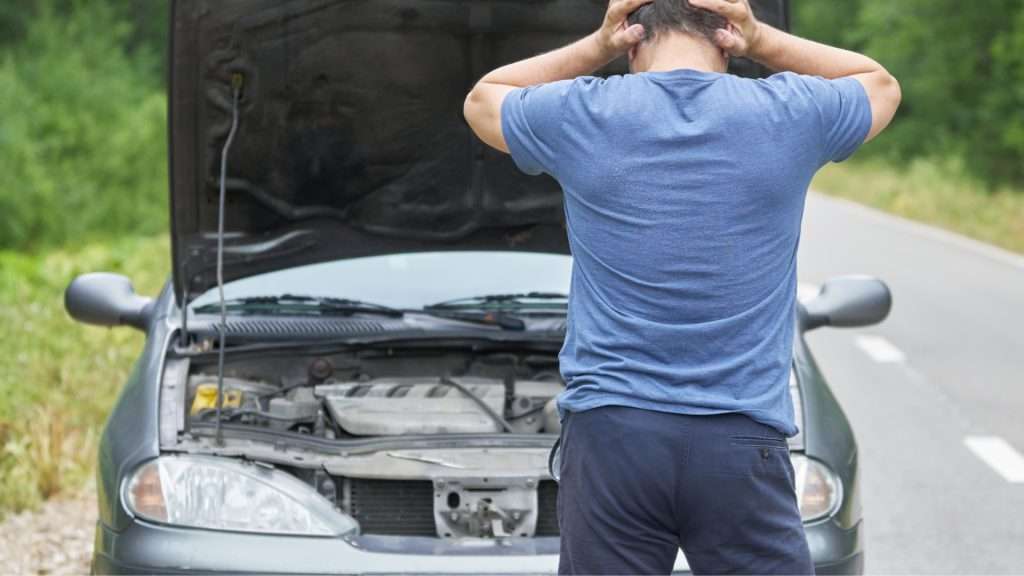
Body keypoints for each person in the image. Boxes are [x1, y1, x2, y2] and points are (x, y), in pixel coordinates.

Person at [463, 0, 900, 573]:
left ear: (633, 39)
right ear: (724, 36)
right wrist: (761, 37)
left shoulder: (582, 112)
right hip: (740, 440)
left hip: (614, 435)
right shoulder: (789, 112)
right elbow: (880, 85)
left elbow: (483, 98)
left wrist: (597, 47)